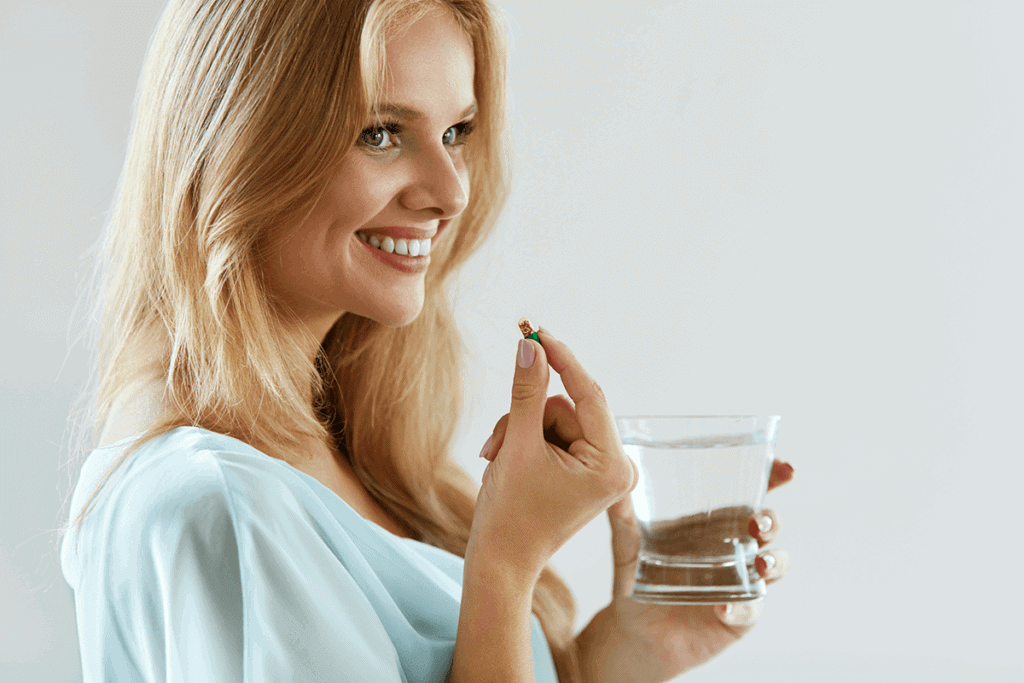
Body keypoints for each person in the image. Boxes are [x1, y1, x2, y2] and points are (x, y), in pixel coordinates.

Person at [58, 0, 794, 681]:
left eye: (456, 134)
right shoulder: (219, 502)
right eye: (381, 133)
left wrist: (615, 654)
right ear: (241, 143)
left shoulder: (337, 445)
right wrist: (505, 567)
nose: (451, 192)